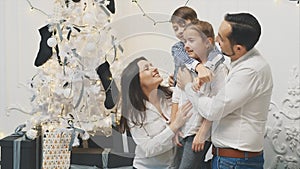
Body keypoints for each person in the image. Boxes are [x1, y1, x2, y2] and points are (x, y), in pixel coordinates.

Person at [177, 13, 273, 169]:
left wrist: (188, 86)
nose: (216, 41)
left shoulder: (250, 71)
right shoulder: (240, 60)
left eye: (221, 39)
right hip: (228, 158)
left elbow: (213, 110)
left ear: (238, 48)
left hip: (234, 162)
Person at [172, 19, 228, 169]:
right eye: (184, 41)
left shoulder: (218, 69)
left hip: (197, 132)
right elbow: (176, 96)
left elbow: (217, 103)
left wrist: (202, 133)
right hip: (182, 130)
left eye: (191, 41)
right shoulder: (185, 65)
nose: (186, 46)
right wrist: (175, 127)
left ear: (207, 42)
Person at [119, 57, 192, 169]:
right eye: (146, 68)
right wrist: (174, 126)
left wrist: (179, 83)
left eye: (152, 65)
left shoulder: (172, 96)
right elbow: (148, 149)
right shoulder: (133, 113)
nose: (154, 69)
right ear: (136, 80)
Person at [169, 6, 225, 86]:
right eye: (175, 29)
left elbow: (217, 55)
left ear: (195, 22)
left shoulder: (207, 44)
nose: (180, 31)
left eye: (183, 24)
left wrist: (206, 69)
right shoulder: (177, 47)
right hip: (180, 86)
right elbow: (183, 59)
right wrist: (199, 67)